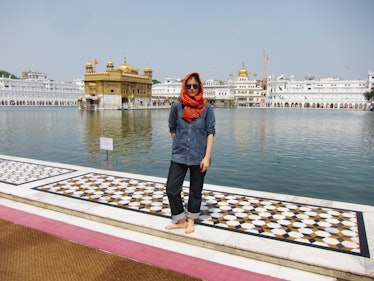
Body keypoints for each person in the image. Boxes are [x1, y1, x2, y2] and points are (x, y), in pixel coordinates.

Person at [165, 72, 215, 234]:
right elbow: (172, 127)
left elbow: (210, 132)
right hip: (179, 155)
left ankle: (191, 220)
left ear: (200, 87)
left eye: (195, 86)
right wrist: (180, 142)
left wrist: (207, 157)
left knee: (195, 190)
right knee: (171, 188)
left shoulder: (206, 108)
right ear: (184, 87)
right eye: (189, 86)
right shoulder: (177, 106)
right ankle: (180, 219)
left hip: (199, 156)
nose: (192, 89)